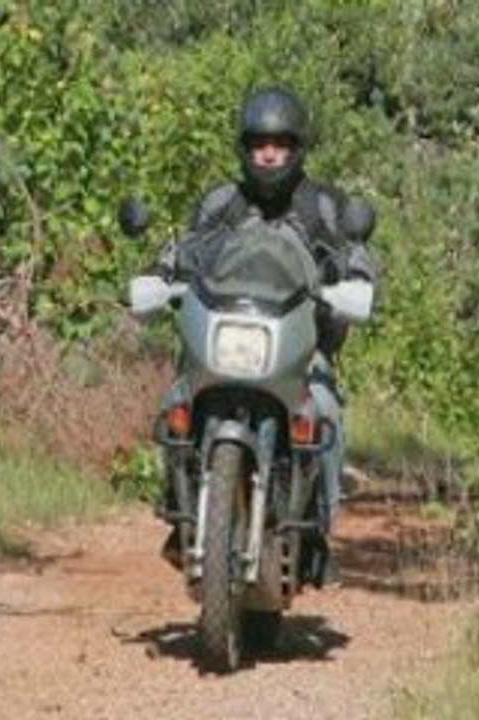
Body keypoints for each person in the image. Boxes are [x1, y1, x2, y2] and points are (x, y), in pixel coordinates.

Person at [154, 86, 377, 585]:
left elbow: (353, 252)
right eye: (259, 144)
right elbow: (184, 249)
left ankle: (315, 532)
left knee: (324, 410)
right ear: (245, 148)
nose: (268, 153)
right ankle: (180, 510)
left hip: (299, 349)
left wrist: (358, 281)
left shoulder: (322, 204)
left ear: (296, 148)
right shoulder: (222, 201)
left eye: (279, 143)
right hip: (225, 338)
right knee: (175, 402)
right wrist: (158, 271)